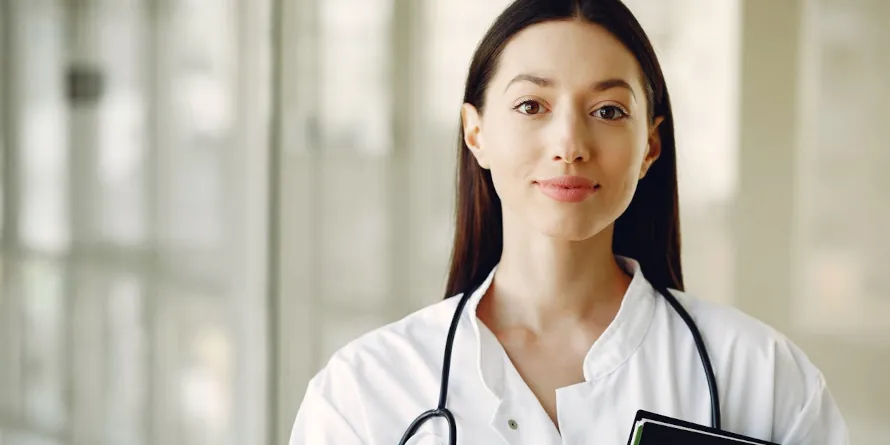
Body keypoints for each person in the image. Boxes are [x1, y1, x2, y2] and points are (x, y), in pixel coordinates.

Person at [289, 0, 850, 443]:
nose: (570, 145)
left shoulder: (762, 380)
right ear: (475, 132)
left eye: (608, 111)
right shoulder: (364, 393)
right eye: (532, 106)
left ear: (650, 146)